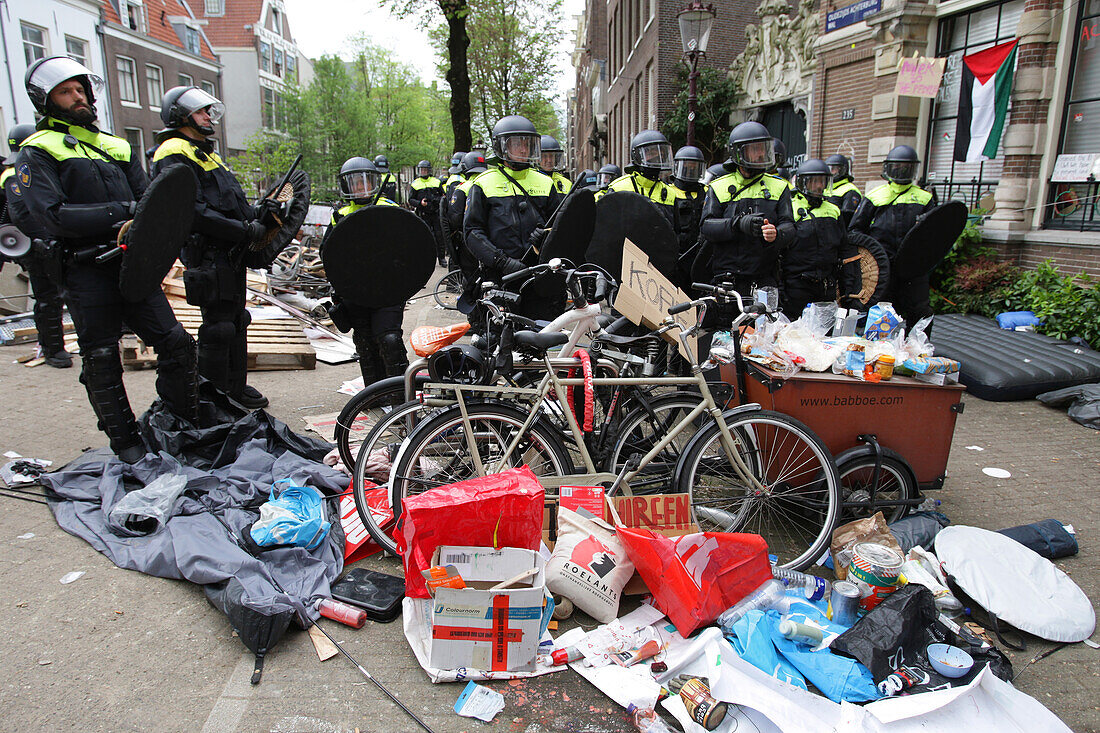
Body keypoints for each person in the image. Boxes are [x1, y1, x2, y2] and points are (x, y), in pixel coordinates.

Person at [11, 57, 199, 463]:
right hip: (83, 268)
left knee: (177, 343)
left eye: (80, 89)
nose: (77, 97)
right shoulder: (37, 151)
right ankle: (126, 441)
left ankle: (180, 421)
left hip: (133, 264)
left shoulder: (116, 144)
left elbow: (152, 202)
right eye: (66, 91)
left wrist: (136, 215)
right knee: (100, 356)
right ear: (46, 100)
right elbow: (53, 215)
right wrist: (123, 210)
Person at [150, 85, 271, 409]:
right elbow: (192, 211)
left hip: (231, 252)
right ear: (180, 114)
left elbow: (230, 202)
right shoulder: (173, 151)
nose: (208, 116)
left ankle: (236, 388)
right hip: (207, 252)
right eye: (201, 111)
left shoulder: (207, 152)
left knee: (237, 320)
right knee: (217, 327)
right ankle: (214, 398)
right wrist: (243, 229)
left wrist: (260, 214)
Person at [464, 114, 562, 316]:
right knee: (500, 340)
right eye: (517, 144)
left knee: (538, 337)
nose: (524, 149)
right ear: (502, 147)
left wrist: (545, 238)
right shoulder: (484, 183)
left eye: (527, 143)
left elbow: (560, 225)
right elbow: (472, 232)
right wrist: (502, 261)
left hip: (537, 275)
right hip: (500, 277)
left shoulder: (545, 182)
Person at [322, 157, 408, 385]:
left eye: (365, 181)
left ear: (374, 182)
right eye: (355, 183)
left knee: (389, 339)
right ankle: (374, 393)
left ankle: (401, 395)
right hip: (355, 292)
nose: (361, 187)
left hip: (387, 291)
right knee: (365, 343)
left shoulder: (390, 210)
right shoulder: (339, 216)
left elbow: (409, 248)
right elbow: (328, 254)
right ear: (346, 185)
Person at [1, 122, 70, 368]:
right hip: (37, 245)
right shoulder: (12, 175)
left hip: (48, 241)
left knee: (59, 295)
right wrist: (47, 240)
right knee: (47, 298)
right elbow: (22, 213)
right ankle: (52, 348)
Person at [699, 121, 794, 299]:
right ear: (738, 152)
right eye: (754, 149)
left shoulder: (779, 186)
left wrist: (777, 234)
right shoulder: (719, 186)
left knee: (765, 326)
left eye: (763, 148)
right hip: (727, 281)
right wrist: (738, 225)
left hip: (765, 280)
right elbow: (706, 227)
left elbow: (789, 225)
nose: (760, 154)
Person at [849, 145, 937, 329]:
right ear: (888, 169)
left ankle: (917, 348)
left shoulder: (924, 198)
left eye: (906, 167)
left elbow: (934, 234)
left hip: (914, 266)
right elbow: (856, 231)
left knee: (919, 309)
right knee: (879, 310)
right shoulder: (875, 196)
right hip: (882, 265)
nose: (901, 170)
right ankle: (878, 350)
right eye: (896, 166)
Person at [779, 159, 861, 318]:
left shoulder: (833, 210)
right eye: (814, 181)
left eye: (822, 181)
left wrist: (849, 291)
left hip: (826, 286)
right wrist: (780, 289)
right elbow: (778, 252)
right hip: (796, 287)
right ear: (803, 182)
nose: (818, 186)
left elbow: (845, 249)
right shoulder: (789, 207)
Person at [597, 130, 675, 224]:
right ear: (637, 156)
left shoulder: (670, 193)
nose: (657, 158)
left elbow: (675, 233)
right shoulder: (618, 188)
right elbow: (604, 227)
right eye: (651, 153)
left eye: (660, 154)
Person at [667, 145, 708, 291]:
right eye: (686, 167)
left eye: (695, 168)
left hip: (699, 255)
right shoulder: (668, 192)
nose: (690, 172)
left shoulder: (707, 193)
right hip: (676, 257)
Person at [443, 150, 487, 280]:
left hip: (468, 238)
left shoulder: (463, 188)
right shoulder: (491, 185)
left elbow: (454, 218)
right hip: (491, 239)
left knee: (470, 272)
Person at [409, 159, 447, 267]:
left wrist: (437, 200)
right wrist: (420, 203)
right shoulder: (415, 184)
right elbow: (411, 200)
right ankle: (425, 259)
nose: (423, 172)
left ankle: (442, 258)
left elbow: (443, 197)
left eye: (425, 170)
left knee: (440, 236)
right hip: (423, 215)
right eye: (421, 170)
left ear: (429, 171)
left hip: (435, 213)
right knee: (425, 237)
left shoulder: (436, 182)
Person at [824, 154, 862, 226]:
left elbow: (847, 218)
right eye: (829, 169)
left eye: (834, 169)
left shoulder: (850, 190)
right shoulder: (825, 188)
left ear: (842, 170)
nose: (831, 172)